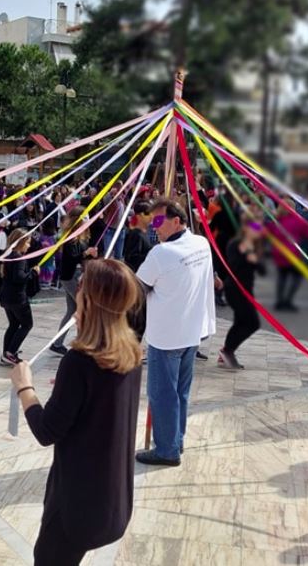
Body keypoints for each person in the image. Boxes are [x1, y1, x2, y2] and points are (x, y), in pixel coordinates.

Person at [11, 259, 143, 565]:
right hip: (112, 498)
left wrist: (24, 387)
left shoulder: (79, 362)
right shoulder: (131, 352)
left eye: (82, 290)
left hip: (77, 504)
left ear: (89, 301)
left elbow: (47, 431)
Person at [135, 198, 217, 466]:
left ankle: (166, 450)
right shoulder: (201, 244)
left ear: (177, 221)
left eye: (159, 221)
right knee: (180, 393)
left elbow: (137, 288)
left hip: (167, 337)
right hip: (191, 333)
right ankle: (175, 440)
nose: (154, 226)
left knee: (162, 395)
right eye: (152, 221)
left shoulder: (161, 253)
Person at [217, 214, 264, 370]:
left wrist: (254, 258)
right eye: (255, 227)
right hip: (234, 289)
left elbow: (262, 270)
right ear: (246, 227)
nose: (258, 230)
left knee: (241, 322)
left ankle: (227, 351)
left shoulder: (256, 245)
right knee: (252, 323)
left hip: (247, 290)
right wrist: (244, 253)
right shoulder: (235, 244)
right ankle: (227, 350)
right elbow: (232, 267)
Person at [49, 208, 98, 355]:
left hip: (76, 276)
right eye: (85, 218)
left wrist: (91, 254)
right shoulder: (71, 237)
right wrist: (86, 252)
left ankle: (58, 343)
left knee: (72, 310)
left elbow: (81, 257)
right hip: (70, 277)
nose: (87, 221)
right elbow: (72, 258)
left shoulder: (82, 236)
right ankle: (81, 344)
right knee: (83, 308)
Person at [0, 228, 39, 367]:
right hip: (17, 299)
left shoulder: (9, 256)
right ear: (21, 242)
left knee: (14, 324)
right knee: (27, 324)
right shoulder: (19, 258)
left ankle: (6, 354)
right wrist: (33, 273)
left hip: (6, 297)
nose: (29, 245)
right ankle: (10, 353)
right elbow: (19, 277)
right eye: (27, 242)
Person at [268, 197, 308, 312]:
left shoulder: (276, 220)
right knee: (297, 277)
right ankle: (287, 301)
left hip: (279, 254)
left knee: (282, 276)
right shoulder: (297, 221)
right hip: (292, 255)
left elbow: (265, 229)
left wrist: (251, 223)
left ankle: (280, 301)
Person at [123, 200, 153, 273]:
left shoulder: (143, 233)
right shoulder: (136, 235)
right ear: (139, 216)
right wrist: (151, 255)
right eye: (147, 213)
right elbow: (132, 258)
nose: (151, 216)